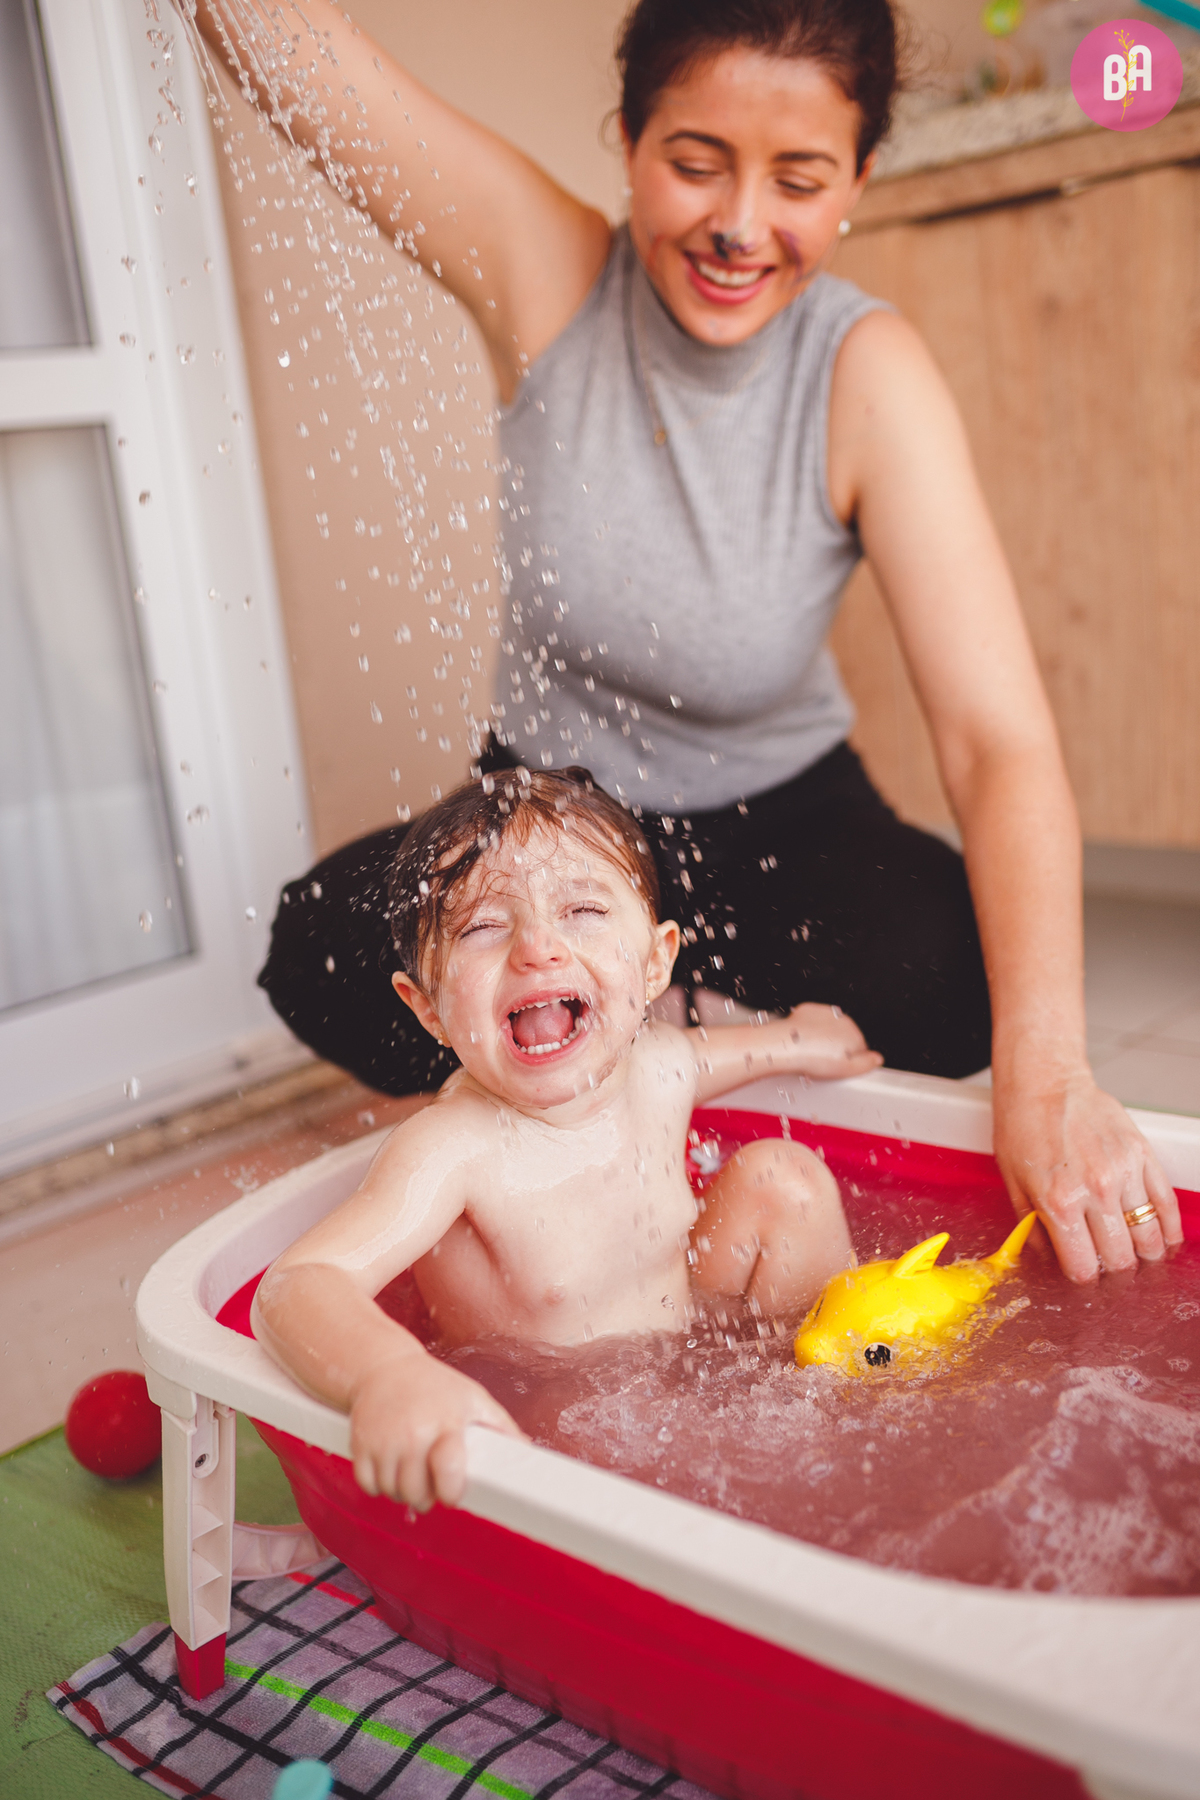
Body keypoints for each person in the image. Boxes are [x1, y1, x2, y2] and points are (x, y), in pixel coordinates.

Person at [188, 0, 1181, 1282]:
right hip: (550, 813)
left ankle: (652, 1037)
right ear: (629, 140)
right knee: (324, 943)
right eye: (696, 162)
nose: (739, 225)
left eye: (800, 179)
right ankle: (646, 1033)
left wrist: (1051, 1075)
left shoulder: (865, 372)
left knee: (954, 968)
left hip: (782, 816)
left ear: (859, 181)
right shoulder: (549, 270)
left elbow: (997, 744)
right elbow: (301, 63)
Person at [252, 768, 878, 1509]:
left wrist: (799, 1037)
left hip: (700, 1358)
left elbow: (714, 1056)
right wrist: (389, 1374)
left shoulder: (653, 1064)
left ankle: (834, 1398)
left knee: (785, 1178)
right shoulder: (453, 1150)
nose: (538, 948)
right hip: (569, 1451)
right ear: (426, 1009)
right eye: (484, 926)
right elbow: (298, 1285)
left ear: (654, 964)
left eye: (582, 909)